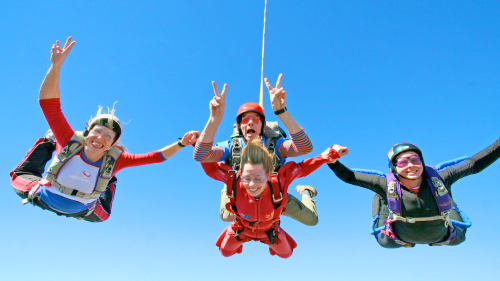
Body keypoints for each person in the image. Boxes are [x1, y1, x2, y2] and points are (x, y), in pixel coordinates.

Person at [10, 37, 200, 222]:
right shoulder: (69, 139)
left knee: (106, 204)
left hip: (85, 210)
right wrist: (55, 66)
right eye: (97, 131)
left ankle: (108, 180)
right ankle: (49, 142)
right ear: (87, 133)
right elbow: (48, 104)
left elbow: (155, 157)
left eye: (108, 136)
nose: (100, 137)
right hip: (44, 196)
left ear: (112, 143)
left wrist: (181, 143)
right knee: (19, 175)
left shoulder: (117, 159)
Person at [193, 74, 318, 226]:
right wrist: (214, 118)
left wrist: (282, 112)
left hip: (273, 195)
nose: (250, 123)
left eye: (256, 120)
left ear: (263, 126)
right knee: (226, 215)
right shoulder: (232, 146)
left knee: (311, 220)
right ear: (239, 127)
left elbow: (305, 147)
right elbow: (201, 155)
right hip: (240, 194)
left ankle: (306, 192)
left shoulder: (275, 145)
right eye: (245, 120)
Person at [327, 140, 500, 248]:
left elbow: (474, 164)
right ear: (394, 168)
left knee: (442, 189)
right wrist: (332, 160)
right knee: (382, 196)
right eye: (402, 162)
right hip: (398, 238)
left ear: (422, 163)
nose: (410, 165)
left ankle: (444, 200)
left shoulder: (441, 177)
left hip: (444, 235)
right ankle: (387, 207)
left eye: (415, 160)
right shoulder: (385, 184)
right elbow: (349, 177)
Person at [201, 139, 344, 257]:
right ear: (240, 174)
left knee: (286, 254)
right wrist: (198, 143)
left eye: (258, 178)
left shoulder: (279, 181)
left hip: (270, 232)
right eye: (247, 178)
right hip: (241, 230)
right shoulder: (234, 180)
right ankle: (237, 244)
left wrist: (328, 154)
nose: (252, 184)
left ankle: (305, 192)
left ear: (268, 175)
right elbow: (210, 168)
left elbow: (303, 168)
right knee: (225, 252)